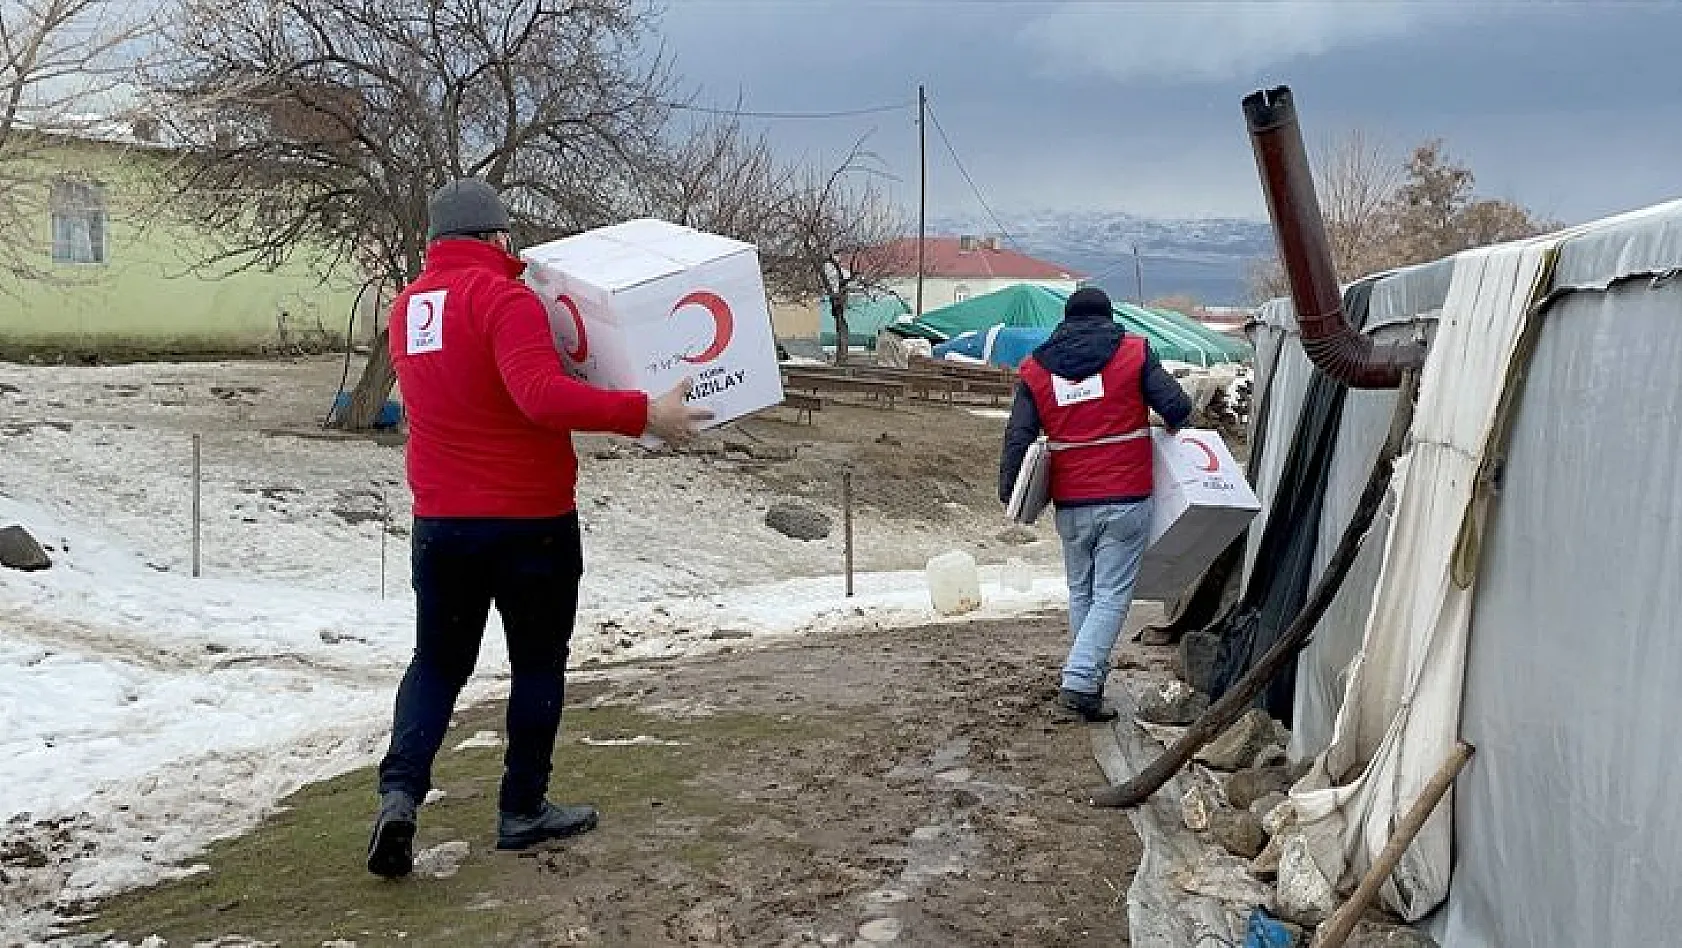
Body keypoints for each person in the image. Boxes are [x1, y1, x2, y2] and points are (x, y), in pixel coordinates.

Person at [366, 178, 712, 878]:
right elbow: (539, 397)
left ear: (436, 243)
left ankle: (399, 797)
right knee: (537, 664)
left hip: (440, 524)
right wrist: (642, 412)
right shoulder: (505, 299)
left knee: (436, 663)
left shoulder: (407, 309)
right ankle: (522, 808)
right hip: (530, 525)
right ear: (495, 238)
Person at [999, 286, 1192, 723]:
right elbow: (1177, 408)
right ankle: (1081, 679)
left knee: (1082, 591)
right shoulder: (1134, 353)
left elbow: (1018, 436)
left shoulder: (1035, 369)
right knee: (1111, 595)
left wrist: (1010, 490)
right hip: (1126, 496)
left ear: (1065, 321)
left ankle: (1089, 680)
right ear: (1108, 317)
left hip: (1070, 502)